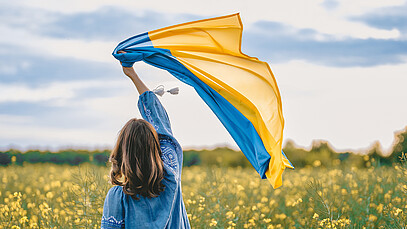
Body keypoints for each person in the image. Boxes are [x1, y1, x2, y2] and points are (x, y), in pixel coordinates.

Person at [101, 54, 190, 228]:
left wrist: (130, 72)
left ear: (122, 152)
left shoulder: (118, 197)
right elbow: (159, 120)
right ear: (156, 146)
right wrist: (132, 73)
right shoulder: (171, 173)